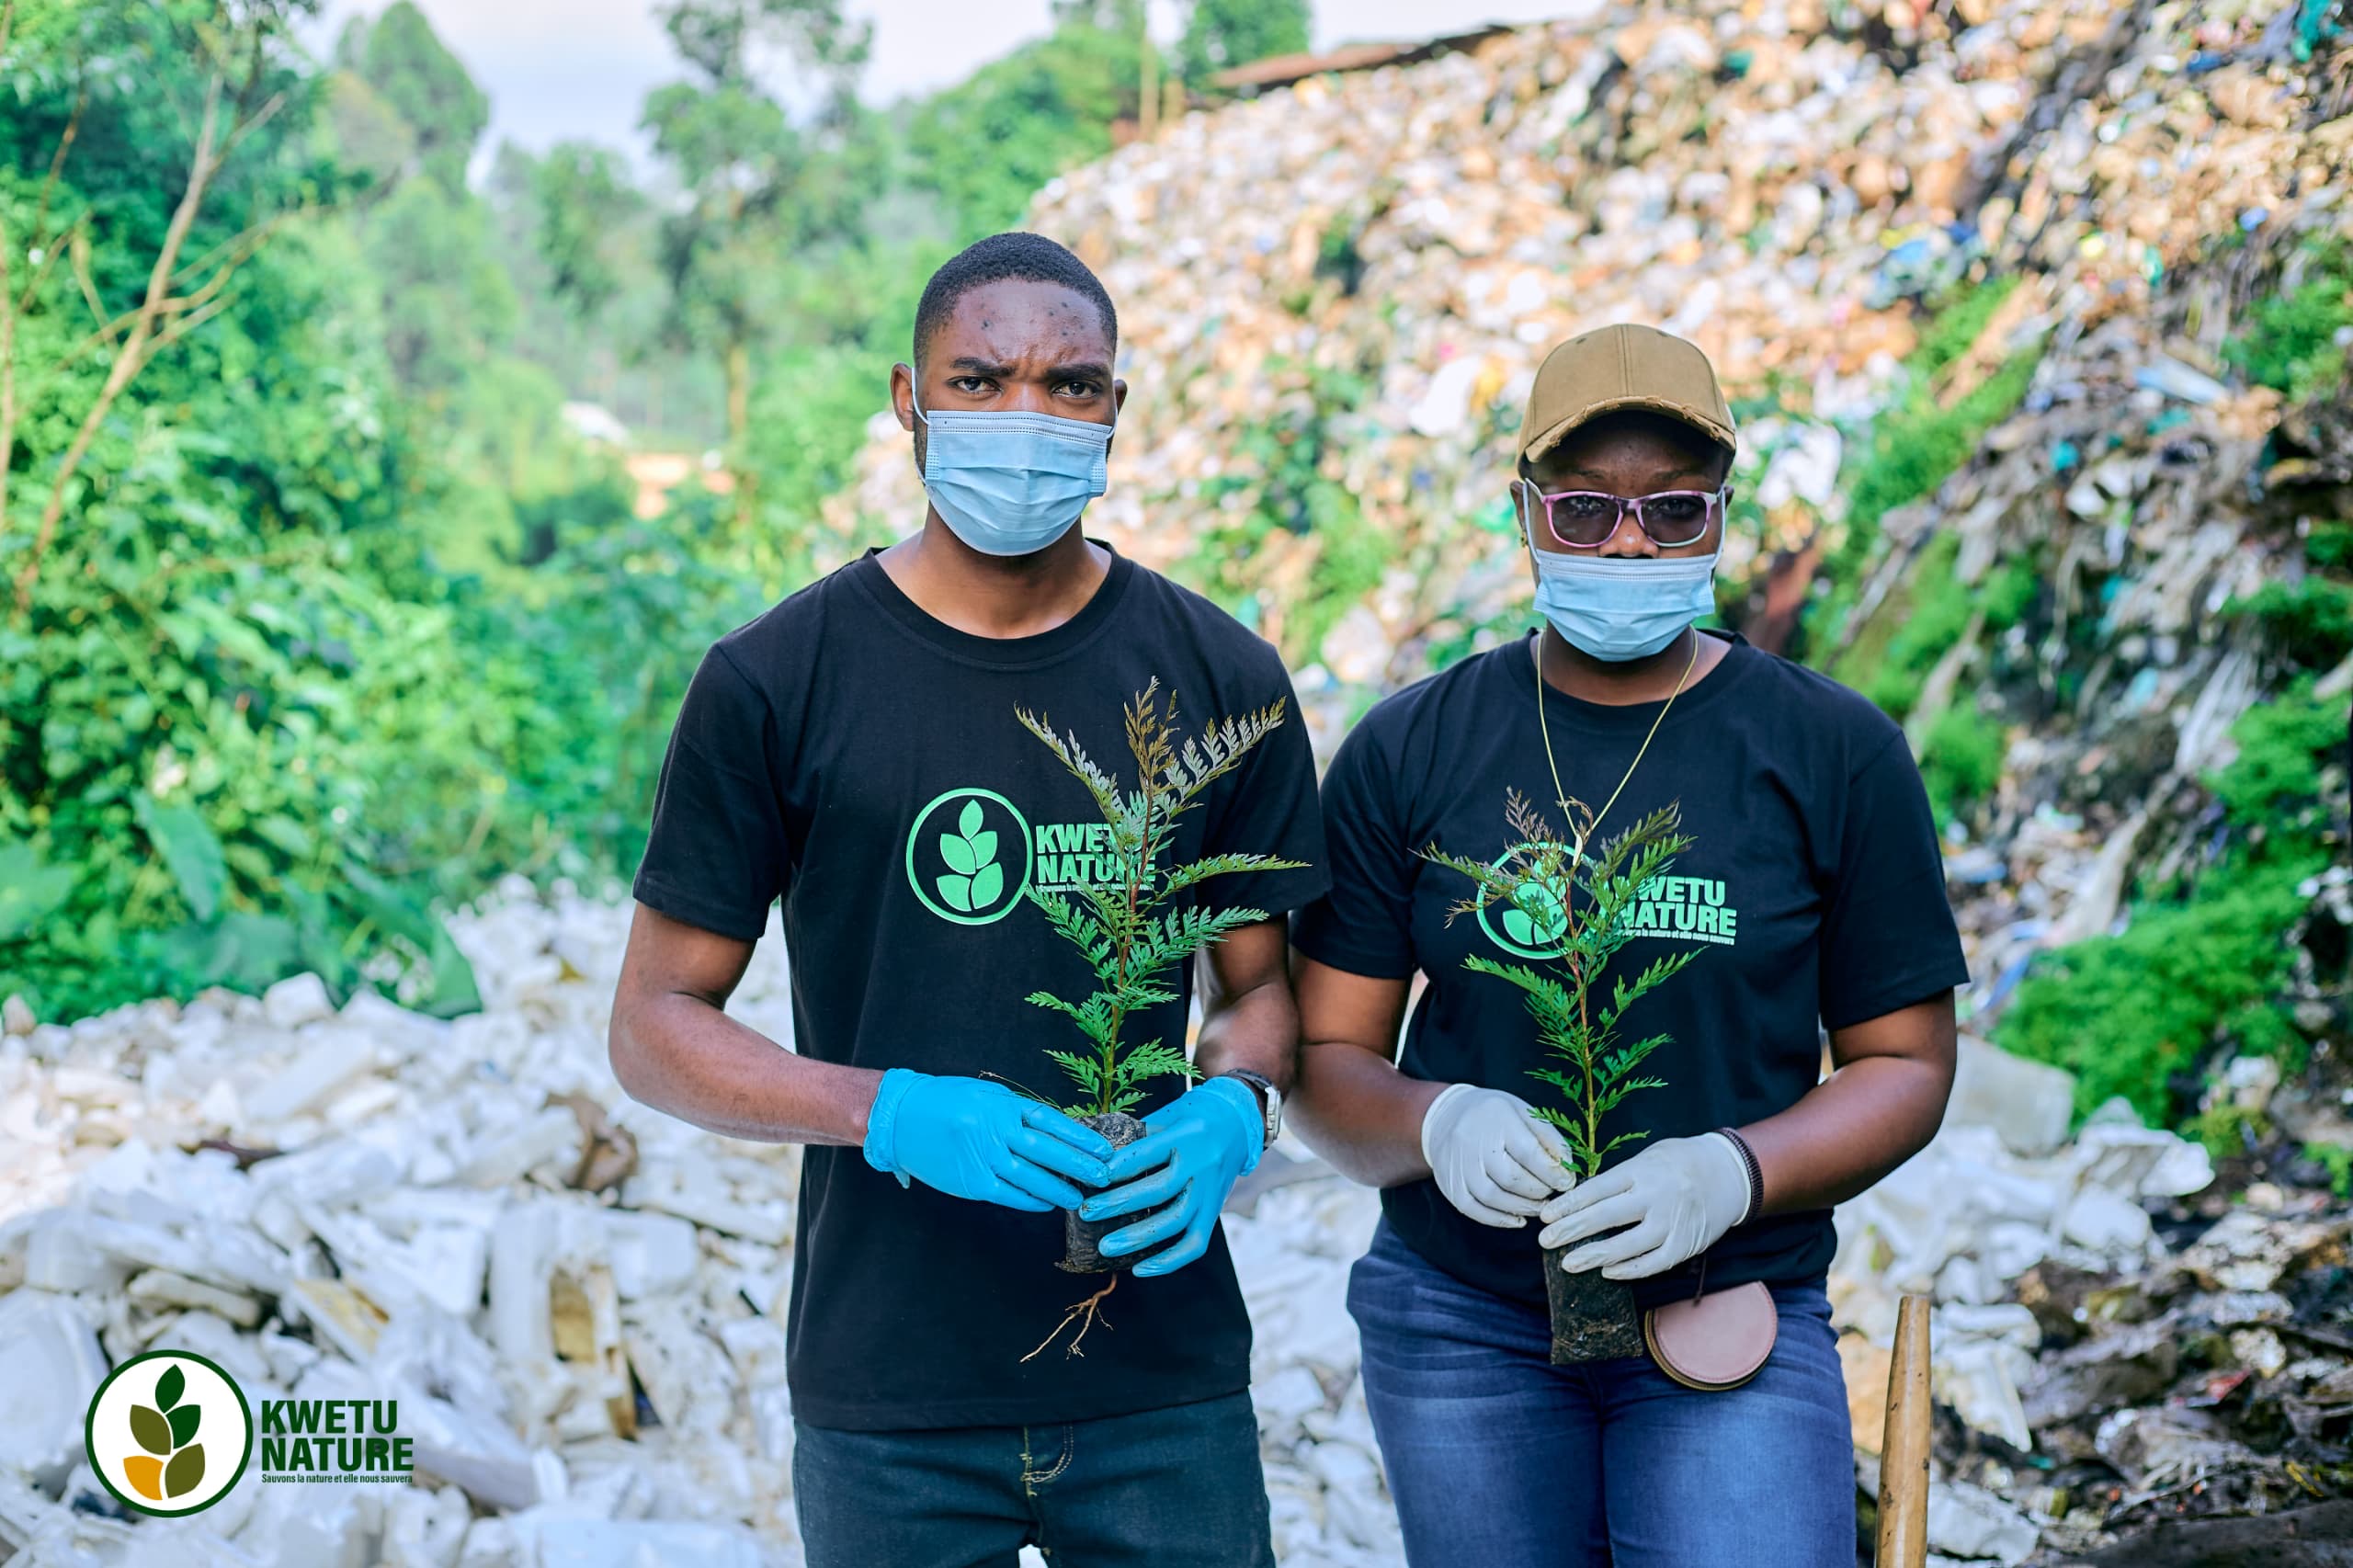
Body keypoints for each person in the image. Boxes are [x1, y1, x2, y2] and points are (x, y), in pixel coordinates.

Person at [608, 232, 1326, 1568]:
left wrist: (1236, 1102)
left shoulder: (1221, 674)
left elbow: (1261, 990)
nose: (1025, 417)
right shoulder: (777, 680)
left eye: (1071, 385)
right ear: (909, 399)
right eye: (981, 379)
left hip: (1160, 1385)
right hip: (892, 1390)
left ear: (1117, 406)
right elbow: (653, 1022)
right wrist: (883, 1109)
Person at [1288, 324, 1967, 1566]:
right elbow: (1324, 1058)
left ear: (1721, 513)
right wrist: (1439, 1123)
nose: (1632, 543)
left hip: (1726, 1312)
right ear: (1526, 512)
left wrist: (1733, 1169)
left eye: (1673, 509)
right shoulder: (1411, 746)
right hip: (1462, 1325)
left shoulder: (1832, 750)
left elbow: (1908, 1063)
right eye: (1589, 511)